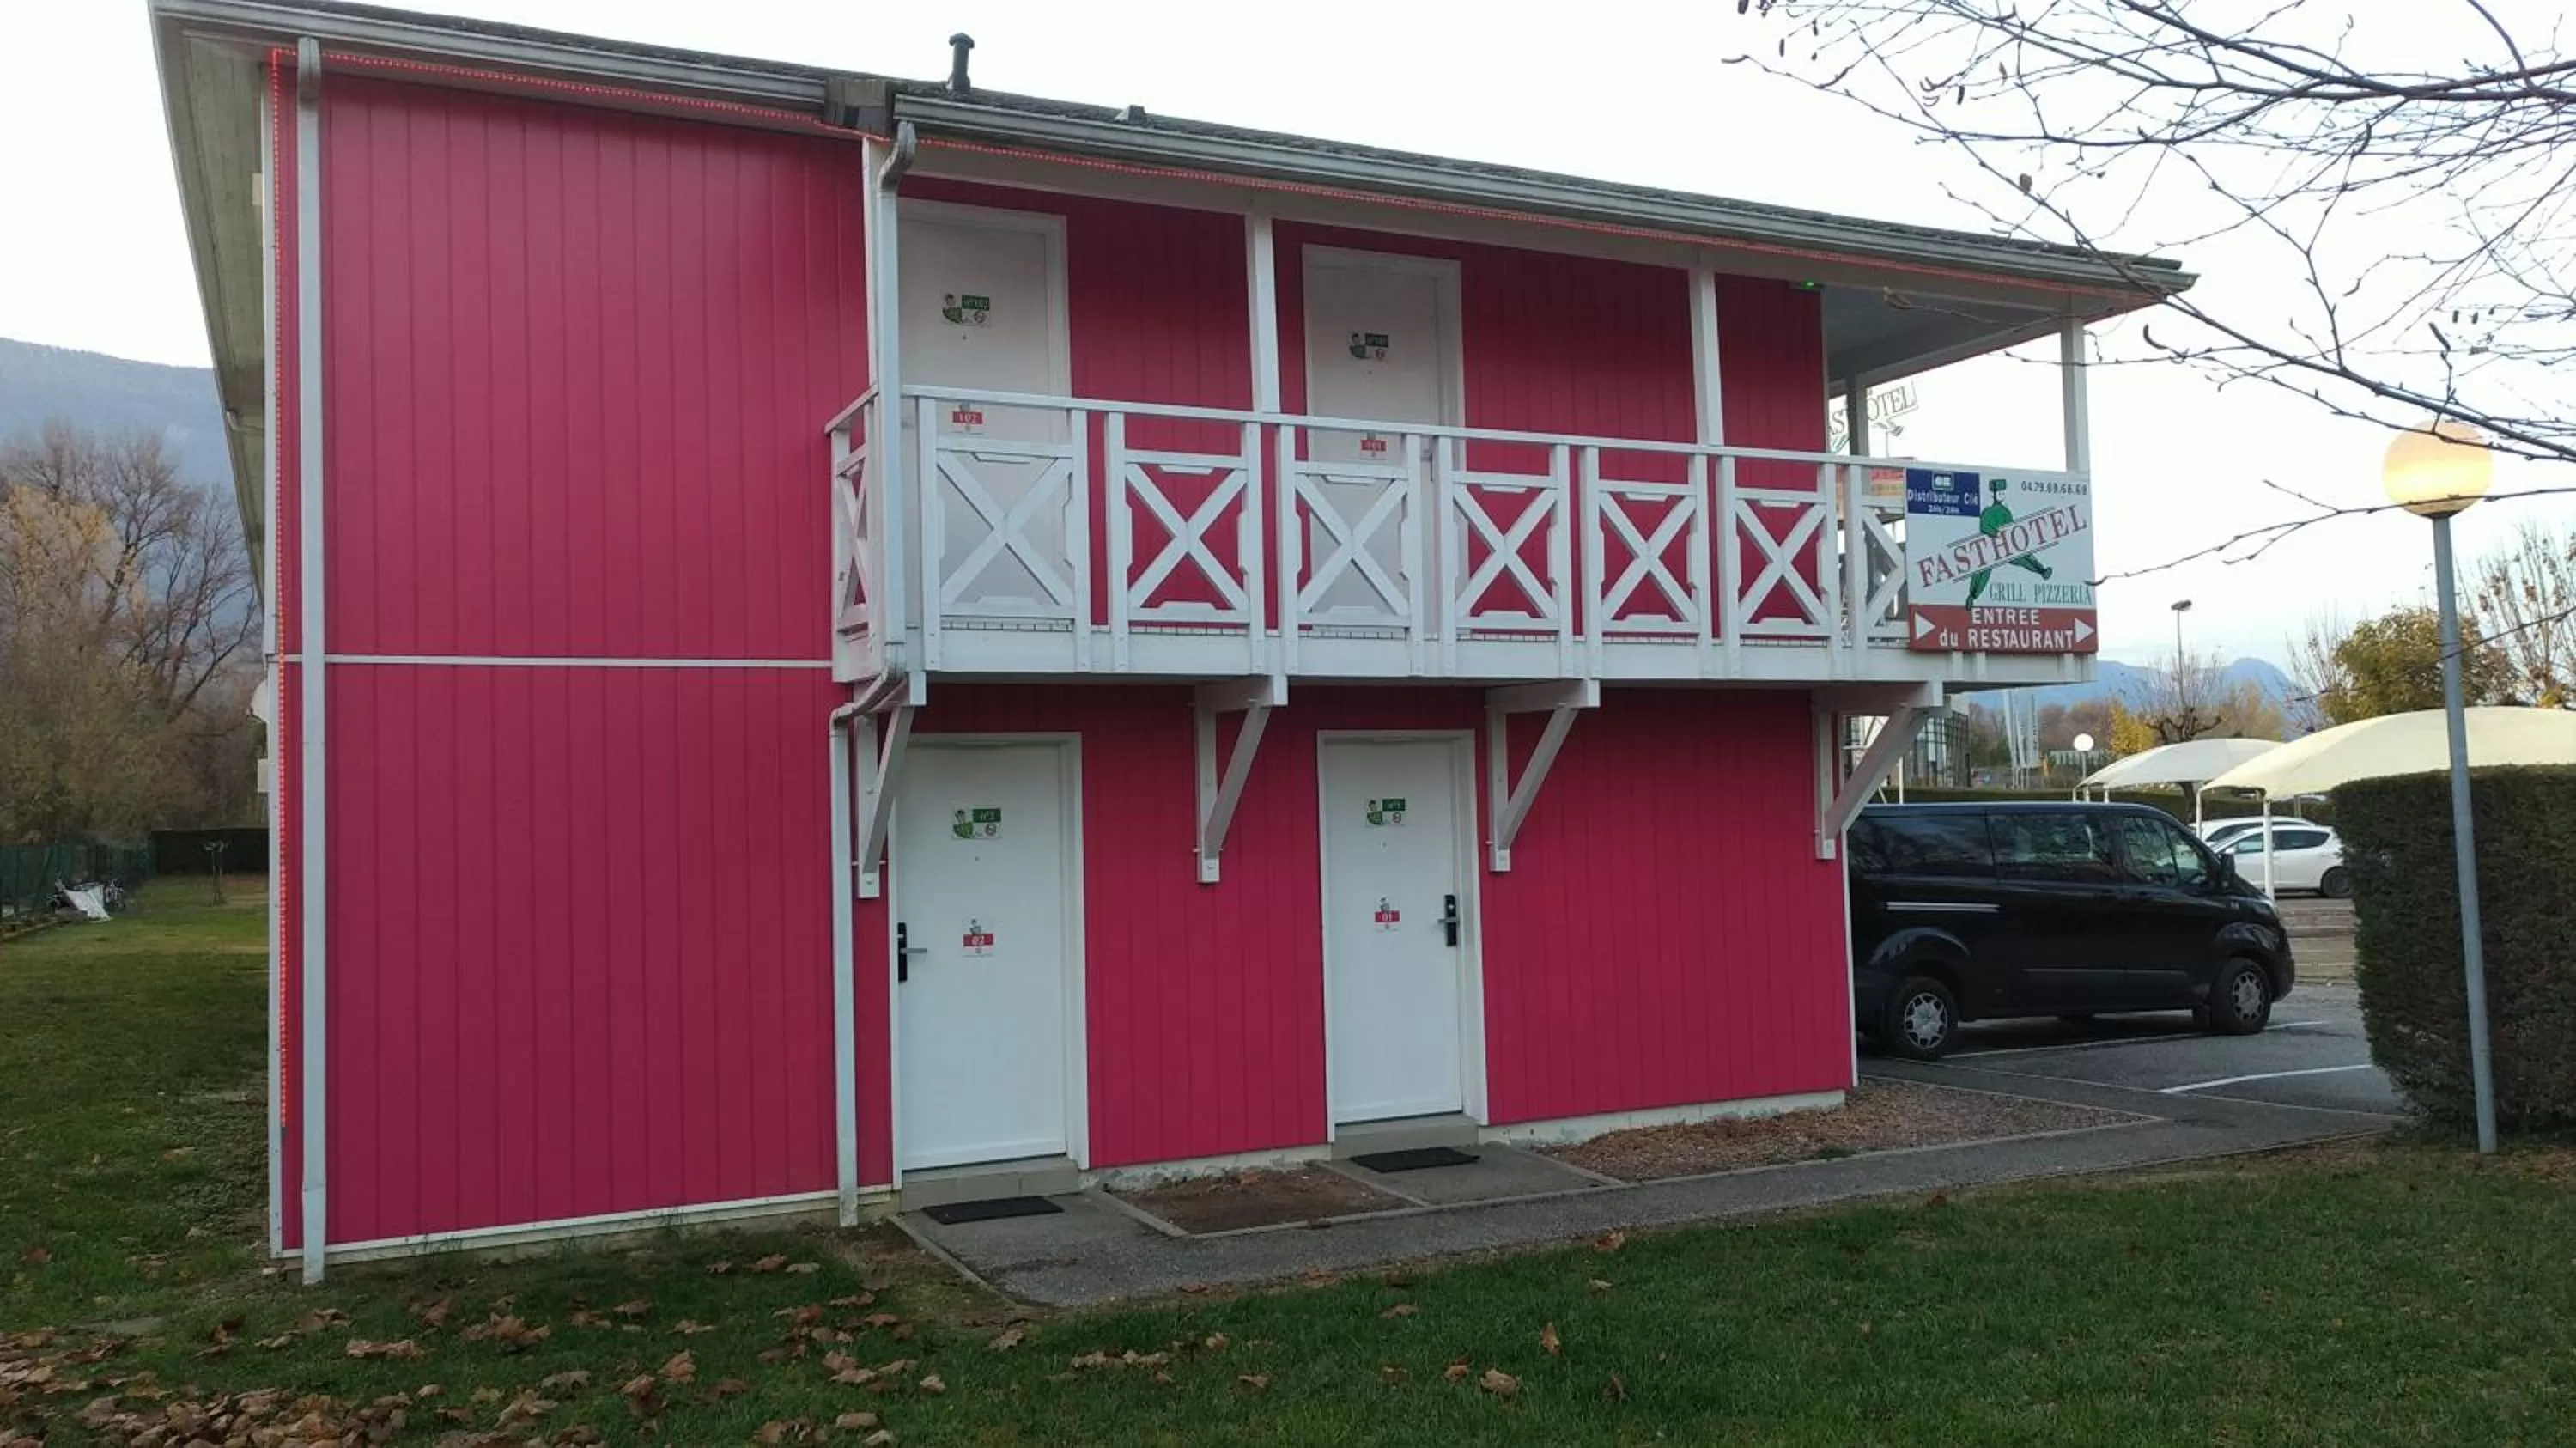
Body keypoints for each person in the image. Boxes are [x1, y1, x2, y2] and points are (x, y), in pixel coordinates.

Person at [1967, 477, 2054, 607]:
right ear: (1993, 494)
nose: (2001, 495)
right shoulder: (1987, 512)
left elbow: (2011, 526)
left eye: (2003, 492)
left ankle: (2042, 571)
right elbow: (1984, 527)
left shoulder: (2006, 511)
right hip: (1991, 548)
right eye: (1999, 493)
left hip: (2007, 546)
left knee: (2025, 556)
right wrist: (1996, 533)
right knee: (1981, 572)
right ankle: (1972, 597)